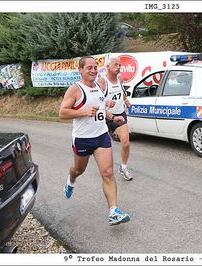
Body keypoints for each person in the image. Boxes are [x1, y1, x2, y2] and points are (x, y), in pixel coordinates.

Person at [59, 56, 131, 225]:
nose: (92, 70)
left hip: (101, 136)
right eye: (88, 68)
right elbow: (62, 113)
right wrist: (83, 111)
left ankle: (114, 211)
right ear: (81, 70)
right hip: (83, 139)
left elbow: (101, 109)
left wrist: (113, 117)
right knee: (79, 170)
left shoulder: (99, 86)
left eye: (94, 67)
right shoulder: (75, 89)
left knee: (108, 173)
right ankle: (71, 180)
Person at [98, 57, 133, 181]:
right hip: (106, 117)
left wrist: (126, 100)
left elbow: (121, 91)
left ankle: (123, 168)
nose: (118, 67)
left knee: (126, 143)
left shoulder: (119, 79)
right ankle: (105, 169)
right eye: (115, 65)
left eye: (120, 65)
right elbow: (97, 100)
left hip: (120, 114)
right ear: (108, 66)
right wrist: (106, 102)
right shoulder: (103, 82)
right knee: (103, 147)